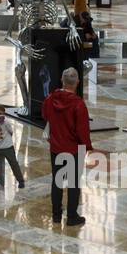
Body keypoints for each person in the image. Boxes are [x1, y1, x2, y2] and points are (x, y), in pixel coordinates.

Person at [44, 68, 91, 226]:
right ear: (77, 83)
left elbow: (45, 115)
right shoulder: (78, 104)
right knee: (74, 183)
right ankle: (72, 216)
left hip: (56, 147)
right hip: (73, 149)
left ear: (62, 81)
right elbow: (82, 130)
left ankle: (56, 215)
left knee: (57, 181)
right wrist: (87, 147)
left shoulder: (51, 99)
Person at [0, 107, 24, 188]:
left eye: (3, 114)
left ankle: (20, 180)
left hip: (8, 147)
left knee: (14, 163)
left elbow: (11, 132)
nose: (1, 116)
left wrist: (7, 140)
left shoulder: (6, 123)